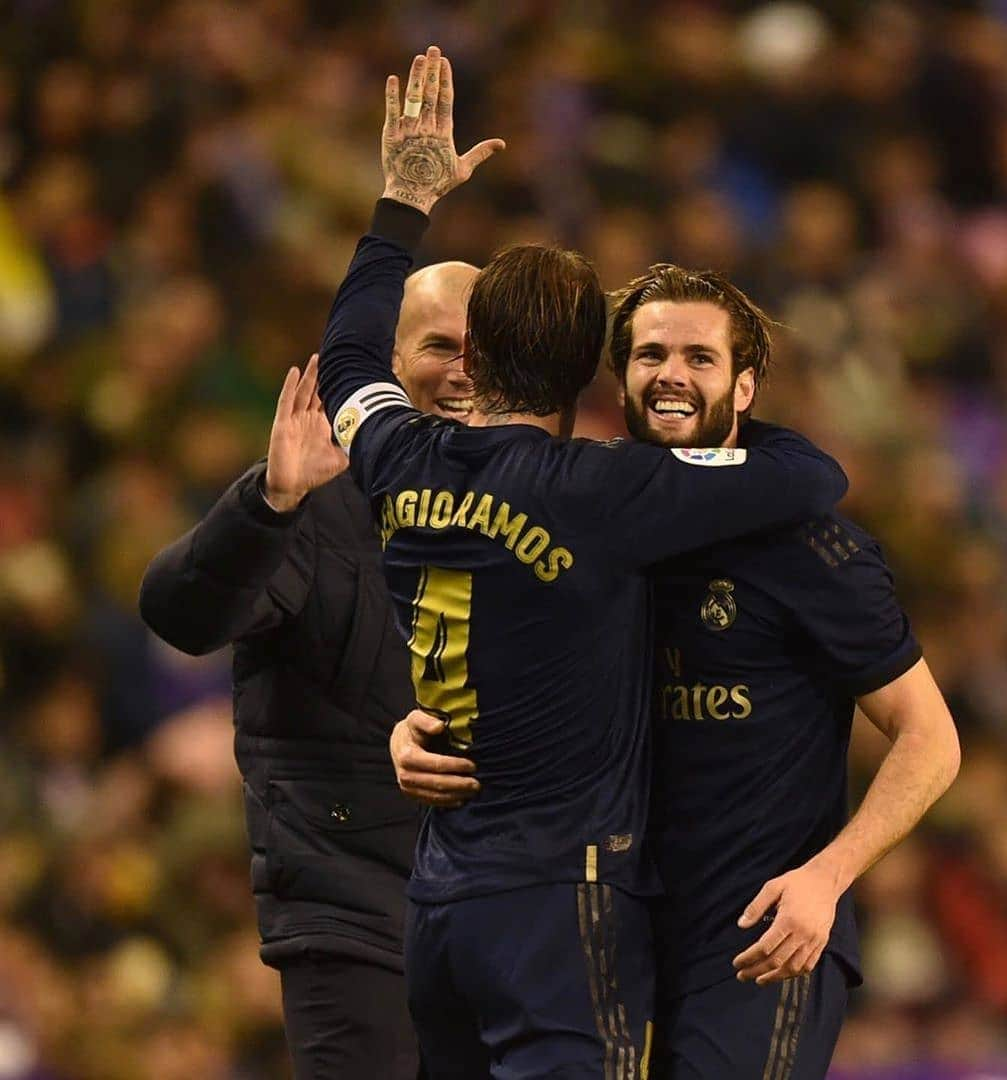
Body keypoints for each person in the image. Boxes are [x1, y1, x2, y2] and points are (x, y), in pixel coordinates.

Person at [313, 46, 848, 1079]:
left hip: (440, 907)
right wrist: (720, 413)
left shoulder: (390, 450)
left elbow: (346, 355)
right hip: (562, 905)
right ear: (587, 375)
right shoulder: (605, 489)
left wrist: (400, 208)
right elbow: (811, 475)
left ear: (471, 360)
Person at [392, 263, 962, 1079]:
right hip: (604, 931)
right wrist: (412, 726)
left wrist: (827, 878)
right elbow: (479, 647)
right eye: (651, 353)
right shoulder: (584, 508)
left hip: (757, 940)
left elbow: (930, 738)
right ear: (617, 375)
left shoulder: (807, 547)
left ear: (745, 386)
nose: (672, 375)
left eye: (701, 358)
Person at [138, 257, 479, 1080]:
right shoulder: (315, 499)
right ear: (389, 364)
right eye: (439, 346)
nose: (464, 369)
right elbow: (181, 613)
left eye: (486, 347)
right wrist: (271, 503)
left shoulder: (529, 508)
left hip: (492, 918)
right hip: (352, 915)